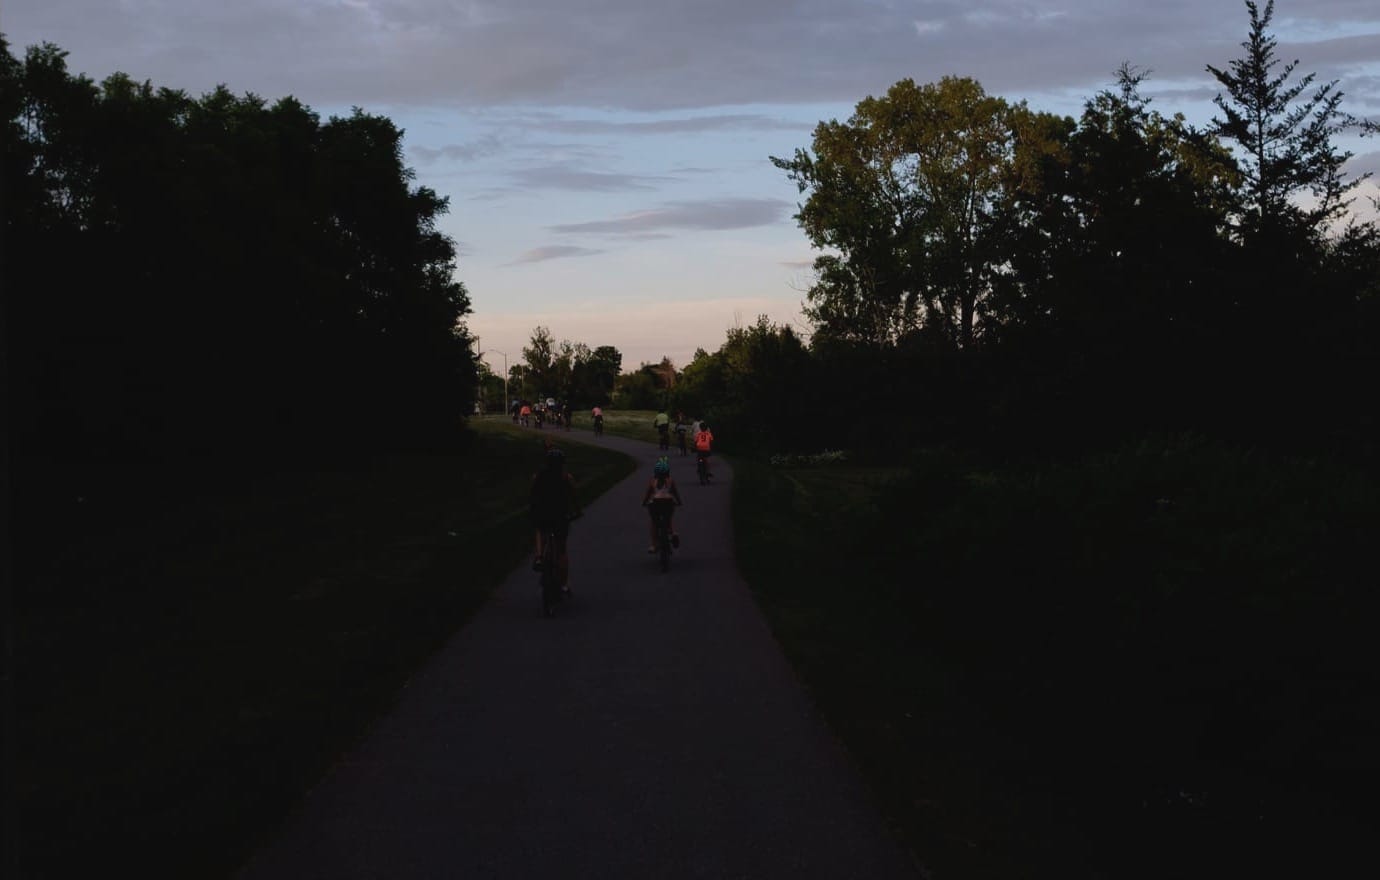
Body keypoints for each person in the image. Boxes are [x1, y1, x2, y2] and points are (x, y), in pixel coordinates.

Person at [530, 447, 581, 589]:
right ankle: (564, 584)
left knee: (540, 530)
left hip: (543, 513)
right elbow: (575, 497)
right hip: (560, 515)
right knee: (562, 550)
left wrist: (534, 509)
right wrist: (577, 511)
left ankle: (540, 556)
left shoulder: (538, 476)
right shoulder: (567, 477)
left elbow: (532, 495)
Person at [640, 456, 683, 554]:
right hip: (668, 503)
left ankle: (654, 545)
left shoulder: (652, 481)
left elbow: (647, 494)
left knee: (654, 523)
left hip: (656, 504)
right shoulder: (671, 481)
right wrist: (679, 502)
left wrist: (644, 502)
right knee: (668, 518)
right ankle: (672, 533)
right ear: (668, 472)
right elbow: (675, 493)